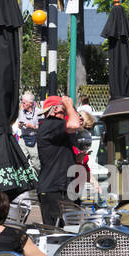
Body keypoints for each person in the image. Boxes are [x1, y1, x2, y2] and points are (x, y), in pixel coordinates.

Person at [37, 93, 81, 226]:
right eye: (64, 107)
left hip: (65, 186)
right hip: (53, 188)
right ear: (56, 109)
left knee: (72, 230)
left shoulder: (60, 128)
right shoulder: (50, 124)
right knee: (55, 232)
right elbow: (74, 124)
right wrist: (69, 105)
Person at [15, 91, 41, 173]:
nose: (22, 104)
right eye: (22, 102)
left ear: (30, 103)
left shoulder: (39, 112)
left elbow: (42, 128)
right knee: (20, 159)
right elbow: (19, 125)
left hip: (34, 139)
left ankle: (38, 177)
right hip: (23, 139)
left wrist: (32, 126)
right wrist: (20, 125)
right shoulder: (21, 112)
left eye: (24, 103)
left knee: (36, 163)